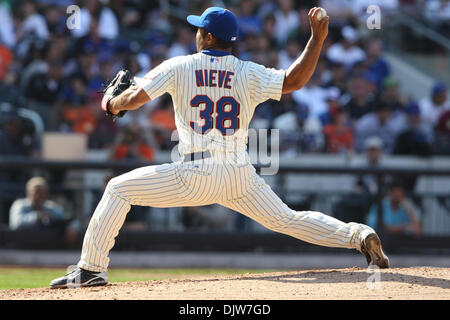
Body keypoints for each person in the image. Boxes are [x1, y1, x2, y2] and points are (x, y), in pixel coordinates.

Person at [50, 7, 389, 289]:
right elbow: (295, 80)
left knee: (117, 189)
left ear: (209, 37)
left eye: (200, 29)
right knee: (287, 219)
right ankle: (358, 235)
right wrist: (316, 39)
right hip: (238, 172)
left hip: (194, 171)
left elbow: (133, 99)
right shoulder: (247, 71)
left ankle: (92, 267)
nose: (197, 33)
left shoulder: (180, 64)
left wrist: (110, 103)